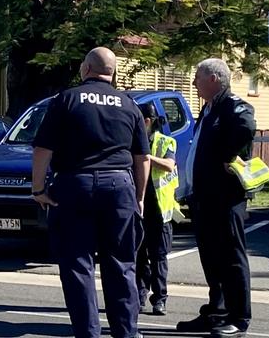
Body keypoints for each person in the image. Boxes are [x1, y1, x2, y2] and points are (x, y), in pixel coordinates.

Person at [31, 47, 150, 338]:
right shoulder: (128, 103)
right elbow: (143, 158)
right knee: (121, 263)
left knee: (77, 264)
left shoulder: (67, 99)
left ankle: (88, 333)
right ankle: (126, 332)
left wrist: (38, 189)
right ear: (114, 72)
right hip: (119, 186)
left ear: (85, 69)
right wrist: (140, 198)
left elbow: (42, 149)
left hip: (75, 185)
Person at [177, 58, 256, 338]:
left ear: (214, 79)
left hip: (225, 198)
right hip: (203, 197)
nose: (194, 82)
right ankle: (217, 311)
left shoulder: (233, 105)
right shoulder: (208, 109)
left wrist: (227, 155)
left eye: (197, 77)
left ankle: (239, 318)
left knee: (231, 257)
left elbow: (247, 127)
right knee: (211, 258)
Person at [138, 102, 180, 316]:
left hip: (160, 211)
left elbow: (169, 165)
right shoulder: (133, 142)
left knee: (159, 257)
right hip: (139, 208)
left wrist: (144, 158)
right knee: (139, 256)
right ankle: (139, 297)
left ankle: (159, 299)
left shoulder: (166, 142)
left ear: (147, 121)